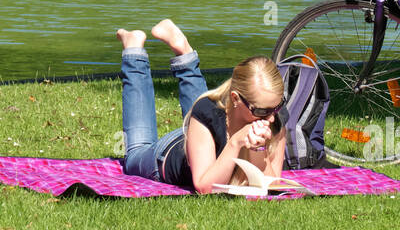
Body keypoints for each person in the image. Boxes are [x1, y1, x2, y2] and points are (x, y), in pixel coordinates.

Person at [116, 20, 286, 193]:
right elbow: (205, 187)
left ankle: (183, 52)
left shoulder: (274, 117)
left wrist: (259, 147)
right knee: (136, 153)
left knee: (205, 111)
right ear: (235, 99)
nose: (271, 117)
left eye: (277, 107)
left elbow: (270, 186)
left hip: (203, 134)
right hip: (166, 154)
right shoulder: (208, 112)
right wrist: (235, 143)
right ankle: (134, 50)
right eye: (262, 111)